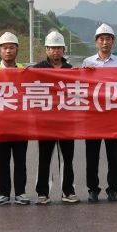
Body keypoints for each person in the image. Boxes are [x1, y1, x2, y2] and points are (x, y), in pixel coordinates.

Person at [81, 23, 117, 201]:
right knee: (92, 155)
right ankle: (93, 189)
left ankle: (113, 188)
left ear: (113, 41)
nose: (105, 42)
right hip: (93, 116)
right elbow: (81, 87)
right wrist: (85, 73)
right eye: (101, 39)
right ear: (96, 42)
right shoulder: (87, 62)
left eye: (108, 39)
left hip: (113, 115)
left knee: (113, 155)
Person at [33, 31, 78, 204]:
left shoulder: (71, 69)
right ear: (46, 49)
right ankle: (42, 192)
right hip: (45, 121)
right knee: (45, 158)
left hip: (66, 121)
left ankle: (68, 191)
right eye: (52, 48)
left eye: (58, 48)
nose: (55, 51)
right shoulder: (37, 69)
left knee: (67, 158)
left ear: (63, 50)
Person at [0, 31, 30, 206]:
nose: (8, 51)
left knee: (20, 160)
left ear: (17, 50)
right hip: (1, 124)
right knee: (3, 160)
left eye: (11, 48)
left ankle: (20, 193)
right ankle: (4, 193)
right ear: (0, 50)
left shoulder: (24, 70)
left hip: (20, 123)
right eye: (5, 48)